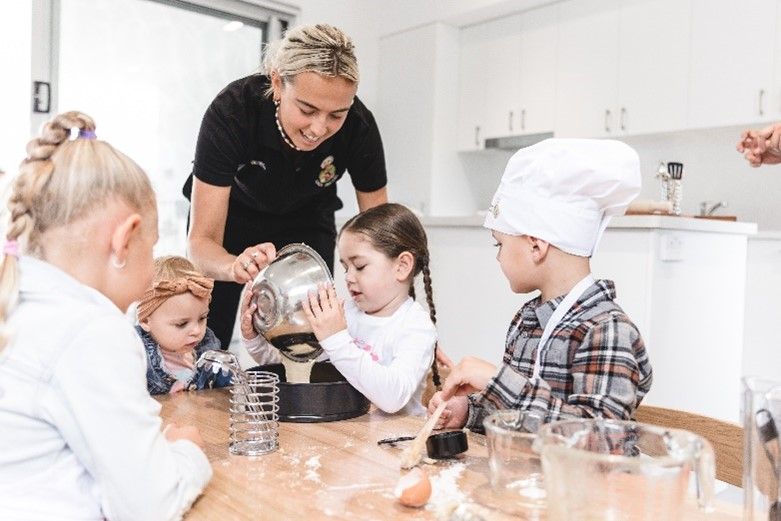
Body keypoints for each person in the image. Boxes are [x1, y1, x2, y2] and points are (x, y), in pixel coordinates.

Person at [0, 112, 211, 519]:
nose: (151, 267)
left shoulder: (23, 301)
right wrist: (188, 451)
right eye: (151, 249)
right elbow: (152, 505)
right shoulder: (89, 330)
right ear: (124, 239)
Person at [184, 23, 388, 350]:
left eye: (337, 115)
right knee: (205, 336)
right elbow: (200, 245)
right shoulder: (233, 112)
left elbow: (383, 238)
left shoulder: (359, 127)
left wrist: (397, 322)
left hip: (307, 220)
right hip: (231, 221)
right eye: (307, 110)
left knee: (305, 336)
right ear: (277, 84)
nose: (319, 129)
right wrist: (233, 266)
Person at [428, 139, 654, 432]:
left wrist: (500, 382)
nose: (498, 256)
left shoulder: (607, 331)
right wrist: (469, 412)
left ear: (536, 246)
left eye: (500, 244)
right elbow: (520, 418)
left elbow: (600, 439)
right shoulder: (527, 320)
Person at [241, 203, 439, 415]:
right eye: (345, 267)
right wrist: (255, 339)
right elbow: (297, 363)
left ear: (402, 266)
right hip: (347, 436)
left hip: (397, 443)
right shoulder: (348, 313)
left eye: (360, 266)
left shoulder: (416, 327)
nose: (348, 277)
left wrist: (336, 338)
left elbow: (392, 398)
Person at [136, 255, 233, 394]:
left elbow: (226, 387)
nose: (196, 330)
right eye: (181, 324)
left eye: (202, 318)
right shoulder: (137, 355)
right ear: (145, 321)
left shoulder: (207, 347)